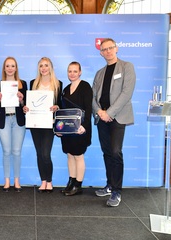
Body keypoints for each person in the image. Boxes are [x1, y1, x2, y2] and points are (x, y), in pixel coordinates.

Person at [92, 38, 136, 207]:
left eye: (110, 48)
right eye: (104, 49)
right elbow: (93, 97)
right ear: (101, 53)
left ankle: (117, 191)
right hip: (102, 117)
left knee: (116, 152)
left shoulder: (127, 67)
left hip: (118, 117)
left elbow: (126, 93)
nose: (107, 51)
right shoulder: (99, 73)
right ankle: (110, 185)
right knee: (107, 152)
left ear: (116, 48)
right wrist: (99, 112)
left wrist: (109, 113)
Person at [23, 57, 62, 193]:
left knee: (46, 154)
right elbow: (29, 104)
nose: (43, 68)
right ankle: (43, 181)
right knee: (39, 153)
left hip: (48, 123)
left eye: (46, 65)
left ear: (51, 67)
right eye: (41, 66)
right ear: (38, 68)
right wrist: (25, 108)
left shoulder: (58, 84)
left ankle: (49, 180)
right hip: (35, 124)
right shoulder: (33, 83)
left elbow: (60, 104)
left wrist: (57, 106)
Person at [58, 62, 92, 196]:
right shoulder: (65, 89)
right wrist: (59, 128)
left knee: (78, 156)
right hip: (68, 130)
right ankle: (71, 182)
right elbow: (62, 111)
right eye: (69, 71)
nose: (72, 74)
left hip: (81, 129)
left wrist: (84, 126)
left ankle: (78, 185)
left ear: (80, 72)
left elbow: (88, 109)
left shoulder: (85, 87)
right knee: (70, 155)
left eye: (75, 71)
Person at [0, 57, 27, 192]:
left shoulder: (22, 84)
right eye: (7, 66)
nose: (10, 68)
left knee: (17, 152)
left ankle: (17, 181)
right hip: (4, 120)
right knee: (6, 151)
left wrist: (22, 99)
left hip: (18, 120)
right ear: (4, 68)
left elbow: (25, 106)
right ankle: (7, 181)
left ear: (16, 68)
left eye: (12, 66)